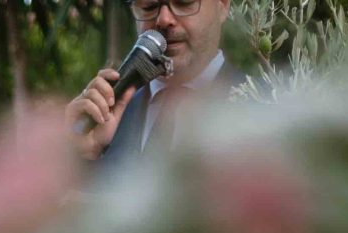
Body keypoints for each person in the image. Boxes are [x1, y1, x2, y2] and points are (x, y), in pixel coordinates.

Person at [69, 0, 238, 169]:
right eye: (148, 7)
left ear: (222, 5)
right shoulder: (108, 115)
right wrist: (85, 154)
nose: (164, 19)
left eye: (184, 3)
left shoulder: (257, 105)